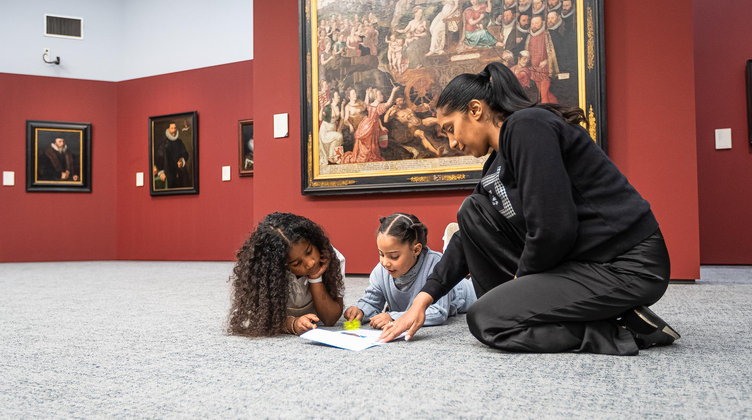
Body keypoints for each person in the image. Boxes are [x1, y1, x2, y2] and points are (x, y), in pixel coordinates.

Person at [379, 62, 680, 355]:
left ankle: (621, 333)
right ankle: (542, 311)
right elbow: (466, 237)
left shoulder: (527, 126)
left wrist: (520, 282)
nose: (452, 142)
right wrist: (420, 301)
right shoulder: (497, 162)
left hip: (627, 264)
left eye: (450, 128)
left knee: (487, 319)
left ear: (475, 109)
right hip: (584, 261)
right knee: (472, 210)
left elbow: (553, 227)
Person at [344, 213, 475, 329]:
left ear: (416, 250)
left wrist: (393, 316)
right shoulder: (381, 270)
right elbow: (372, 301)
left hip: (470, 292)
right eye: (381, 254)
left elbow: (438, 312)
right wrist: (361, 310)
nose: (385, 262)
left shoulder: (437, 265)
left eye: (394, 256)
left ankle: (461, 250)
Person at [228, 212, 345, 337]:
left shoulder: (332, 258)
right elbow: (255, 319)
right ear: (281, 267)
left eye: (309, 251)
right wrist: (292, 324)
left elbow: (330, 319)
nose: (310, 263)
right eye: (296, 263)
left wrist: (315, 278)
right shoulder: (266, 274)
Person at [153, 122, 190, 189]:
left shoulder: (179, 142)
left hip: (180, 173)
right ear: (168, 130)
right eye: (172, 128)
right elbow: (158, 158)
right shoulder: (164, 144)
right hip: (168, 173)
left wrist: (181, 159)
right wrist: (161, 172)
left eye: (175, 128)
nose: (174, 130)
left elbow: (185, 153)